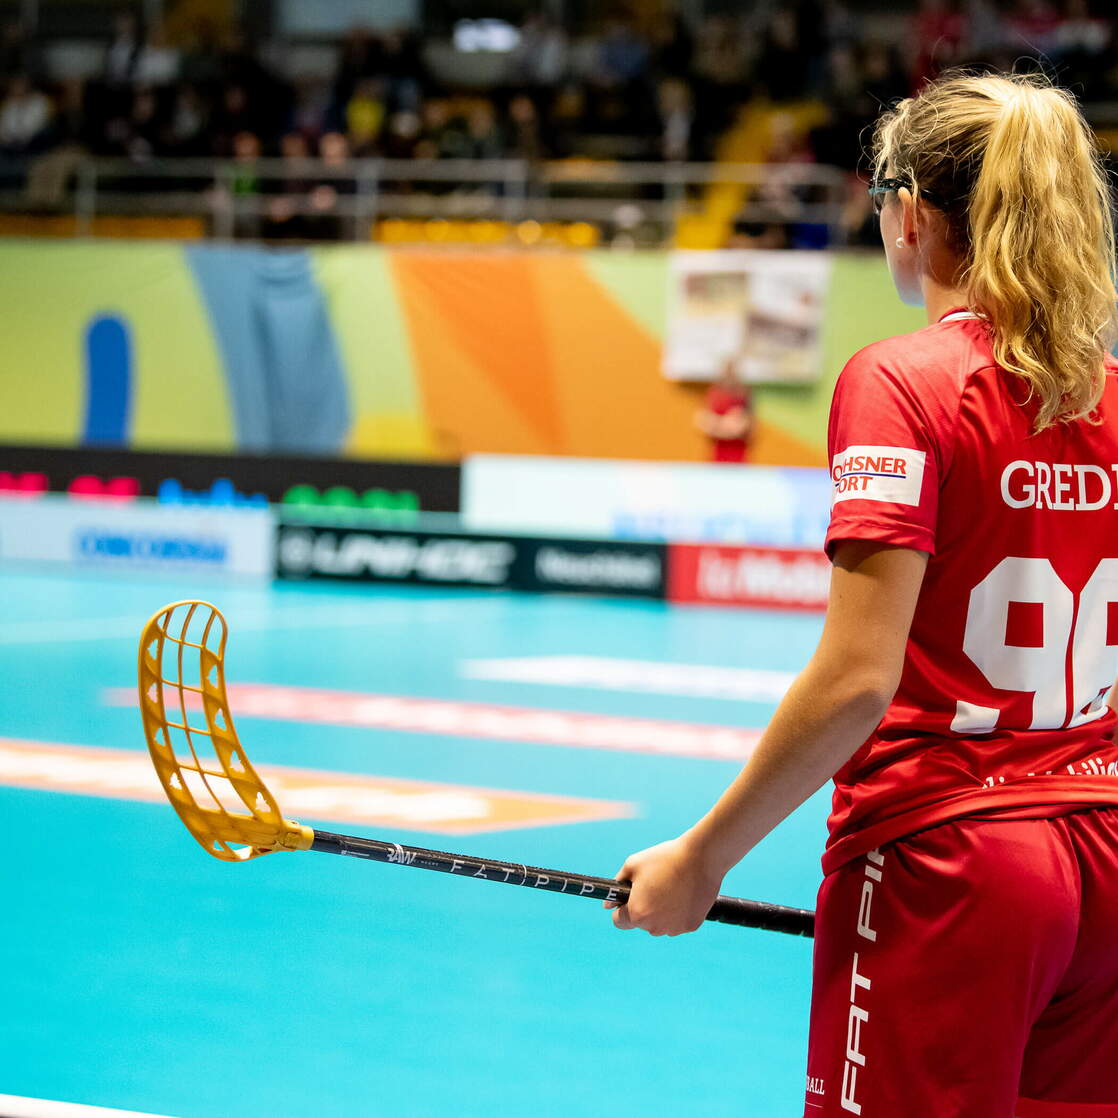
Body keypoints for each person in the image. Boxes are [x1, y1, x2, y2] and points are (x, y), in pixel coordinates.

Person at [606, 71, 1118, 1117]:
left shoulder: (902, 379)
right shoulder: (1107, 392)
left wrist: (700, 859)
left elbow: (853, 678)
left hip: (950, 862)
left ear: (910, 214)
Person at [695, 357, 754, 463]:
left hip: (737, 451)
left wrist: (733, 426)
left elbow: (748, 425)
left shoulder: (743, 394)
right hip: (718, 451)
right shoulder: (714, 392)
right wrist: (723, 426)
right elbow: (704, 421)